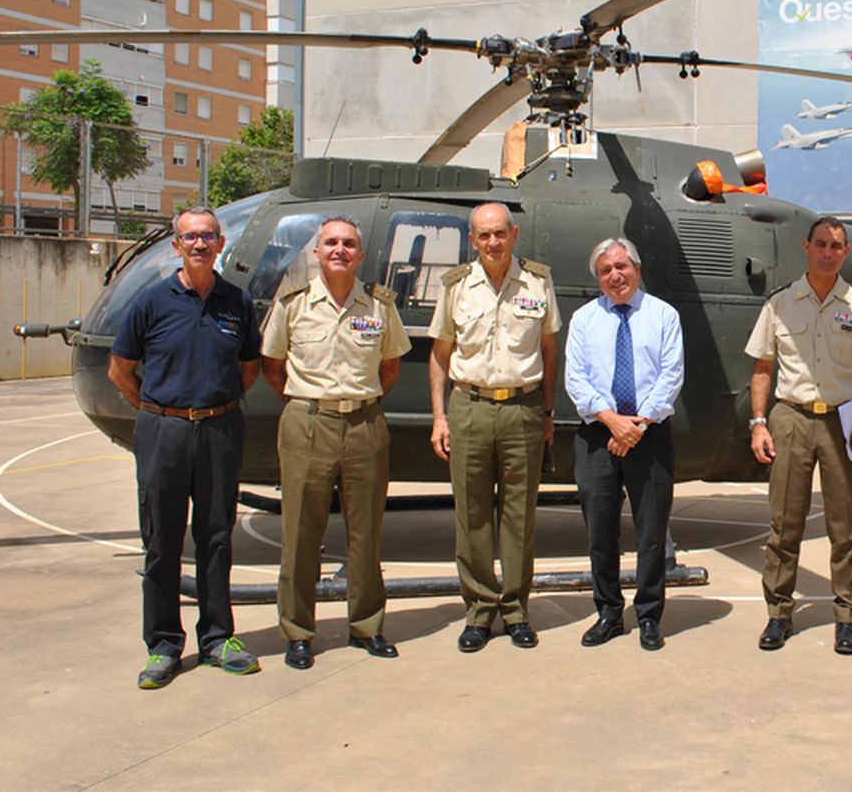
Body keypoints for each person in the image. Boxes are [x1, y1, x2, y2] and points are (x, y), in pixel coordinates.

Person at [107, 206, 262, 689]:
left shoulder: (237, 302)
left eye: (208, 236)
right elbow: (120, 371)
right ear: (177, 245)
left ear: (220, 245)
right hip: (164, 432)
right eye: (190, 237)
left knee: (216, 537)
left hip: (219, 430)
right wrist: (159, 411)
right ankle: (163, 645)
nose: (199, 244)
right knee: (162, 541)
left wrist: (213, 405)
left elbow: (248, 367)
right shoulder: (151, 302)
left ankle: (217, 638)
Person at [259, 216, 410, 670]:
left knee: (366, 531)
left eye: (348, 244)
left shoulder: (379, 305)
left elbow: (390, 366)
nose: (339, 250)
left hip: (364, 423)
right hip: (308, 422)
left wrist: (359, 401)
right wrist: (307, 403)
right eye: (331, 243)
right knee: (300, 533)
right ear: (317, 252)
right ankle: (298, 632)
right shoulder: (293, 303)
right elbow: (272, 364)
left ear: (360, 255)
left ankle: (367, 626)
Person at [745, 215, 852, 655]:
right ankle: (779, 613)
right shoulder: (780, 303)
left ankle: (847, 616)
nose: (829, 252)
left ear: (846, 252)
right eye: (822, 244)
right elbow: (762, 368)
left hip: (846, 422)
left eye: (836, 245)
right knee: (784, 524)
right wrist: (758, 422)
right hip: (791, 418)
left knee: (845, 526)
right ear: (806, 247)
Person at [428, 202, 559, 652]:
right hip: (470, 407)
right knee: (473, 515)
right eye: (484, 235)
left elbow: (548, 349)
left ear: (514, 234)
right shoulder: (456, 286)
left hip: (523, 407)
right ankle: (480, 612)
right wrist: (440, 416)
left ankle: (516, 611)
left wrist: (547, 412)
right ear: (473, 240)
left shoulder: (538, 282)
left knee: (520, 516)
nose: (493, 242)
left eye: (500, 233)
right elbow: (440, 354)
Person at [563, 238, 683, 651]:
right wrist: (613, 422)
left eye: (621, 266)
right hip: (599, 434)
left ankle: (649, 615)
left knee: (651, 532)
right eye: (605, 271)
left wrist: (638, 425)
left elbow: (671, 375)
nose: (615, 276)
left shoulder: (663, 315)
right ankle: (609, 613)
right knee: (600, 532)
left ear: (637, 268)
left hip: (650, 433)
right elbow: (576, 379)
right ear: (598, 278)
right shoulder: (583, 320)